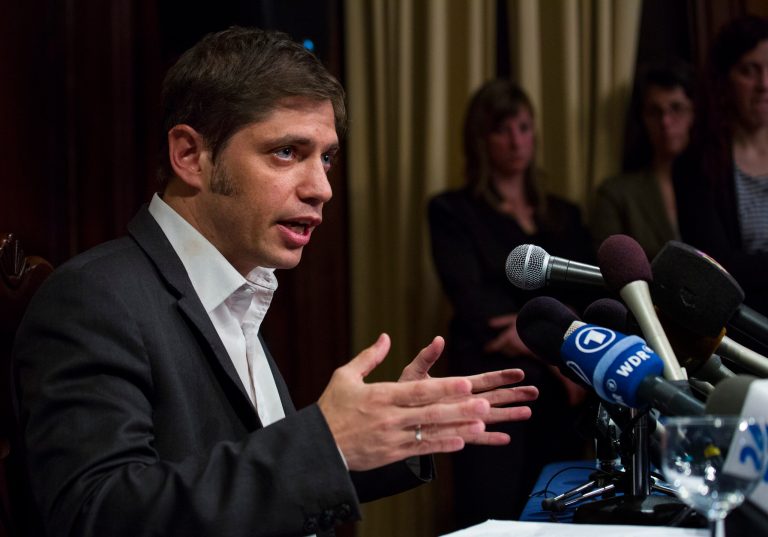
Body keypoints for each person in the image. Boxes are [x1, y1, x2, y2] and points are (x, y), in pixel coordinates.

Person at [12, 28, 539, 537]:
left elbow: (245, 480)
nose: (322, 188)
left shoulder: (239, 289)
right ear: (190, 156)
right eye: (287, 152)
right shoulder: (94, 298)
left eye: (327, 157)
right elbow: (99, 514)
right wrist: (326, 444)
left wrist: (387, 436)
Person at [427, 79, 594, 527]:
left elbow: (582, 302)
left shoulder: (565, 215)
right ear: (481, 140)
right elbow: (477, 306)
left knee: (558, 510)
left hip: (567, 389)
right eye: (502, 129)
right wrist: (555, 350)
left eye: (524, 126)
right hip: (491, 385)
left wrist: (553, 350)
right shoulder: (452, 210)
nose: (516, 140)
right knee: (490, 512)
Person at [674, 14, 768, 317]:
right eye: (749, 71)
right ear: (724, 81)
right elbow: (716, 266)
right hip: (745, 323)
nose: (764, 84)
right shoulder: (696, 164)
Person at [590, 61, 695, 260]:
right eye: (655, 112)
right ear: (643, 119)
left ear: (693, 114)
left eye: (677, 108)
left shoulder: (718, 185)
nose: (665, 122)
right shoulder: (617, 194)